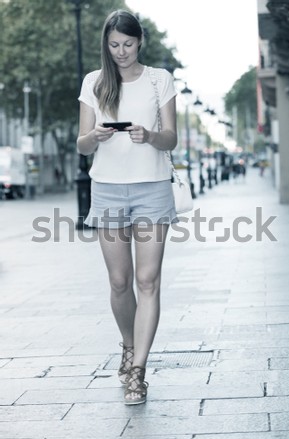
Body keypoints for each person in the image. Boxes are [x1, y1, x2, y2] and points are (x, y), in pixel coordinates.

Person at [77, 10, 177, 405]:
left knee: (147, 280)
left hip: (152, 190)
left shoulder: (159, 80)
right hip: (107, 190)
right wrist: (95, 136)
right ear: (107, 44)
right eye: (114, 45)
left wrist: (150, 134)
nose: (121, 52)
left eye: (129, 44)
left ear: (141, 42)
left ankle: (138, 370)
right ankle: (128, 344)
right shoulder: (94, 82)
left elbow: (171, 140)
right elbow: (81, 143)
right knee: (120, 282)